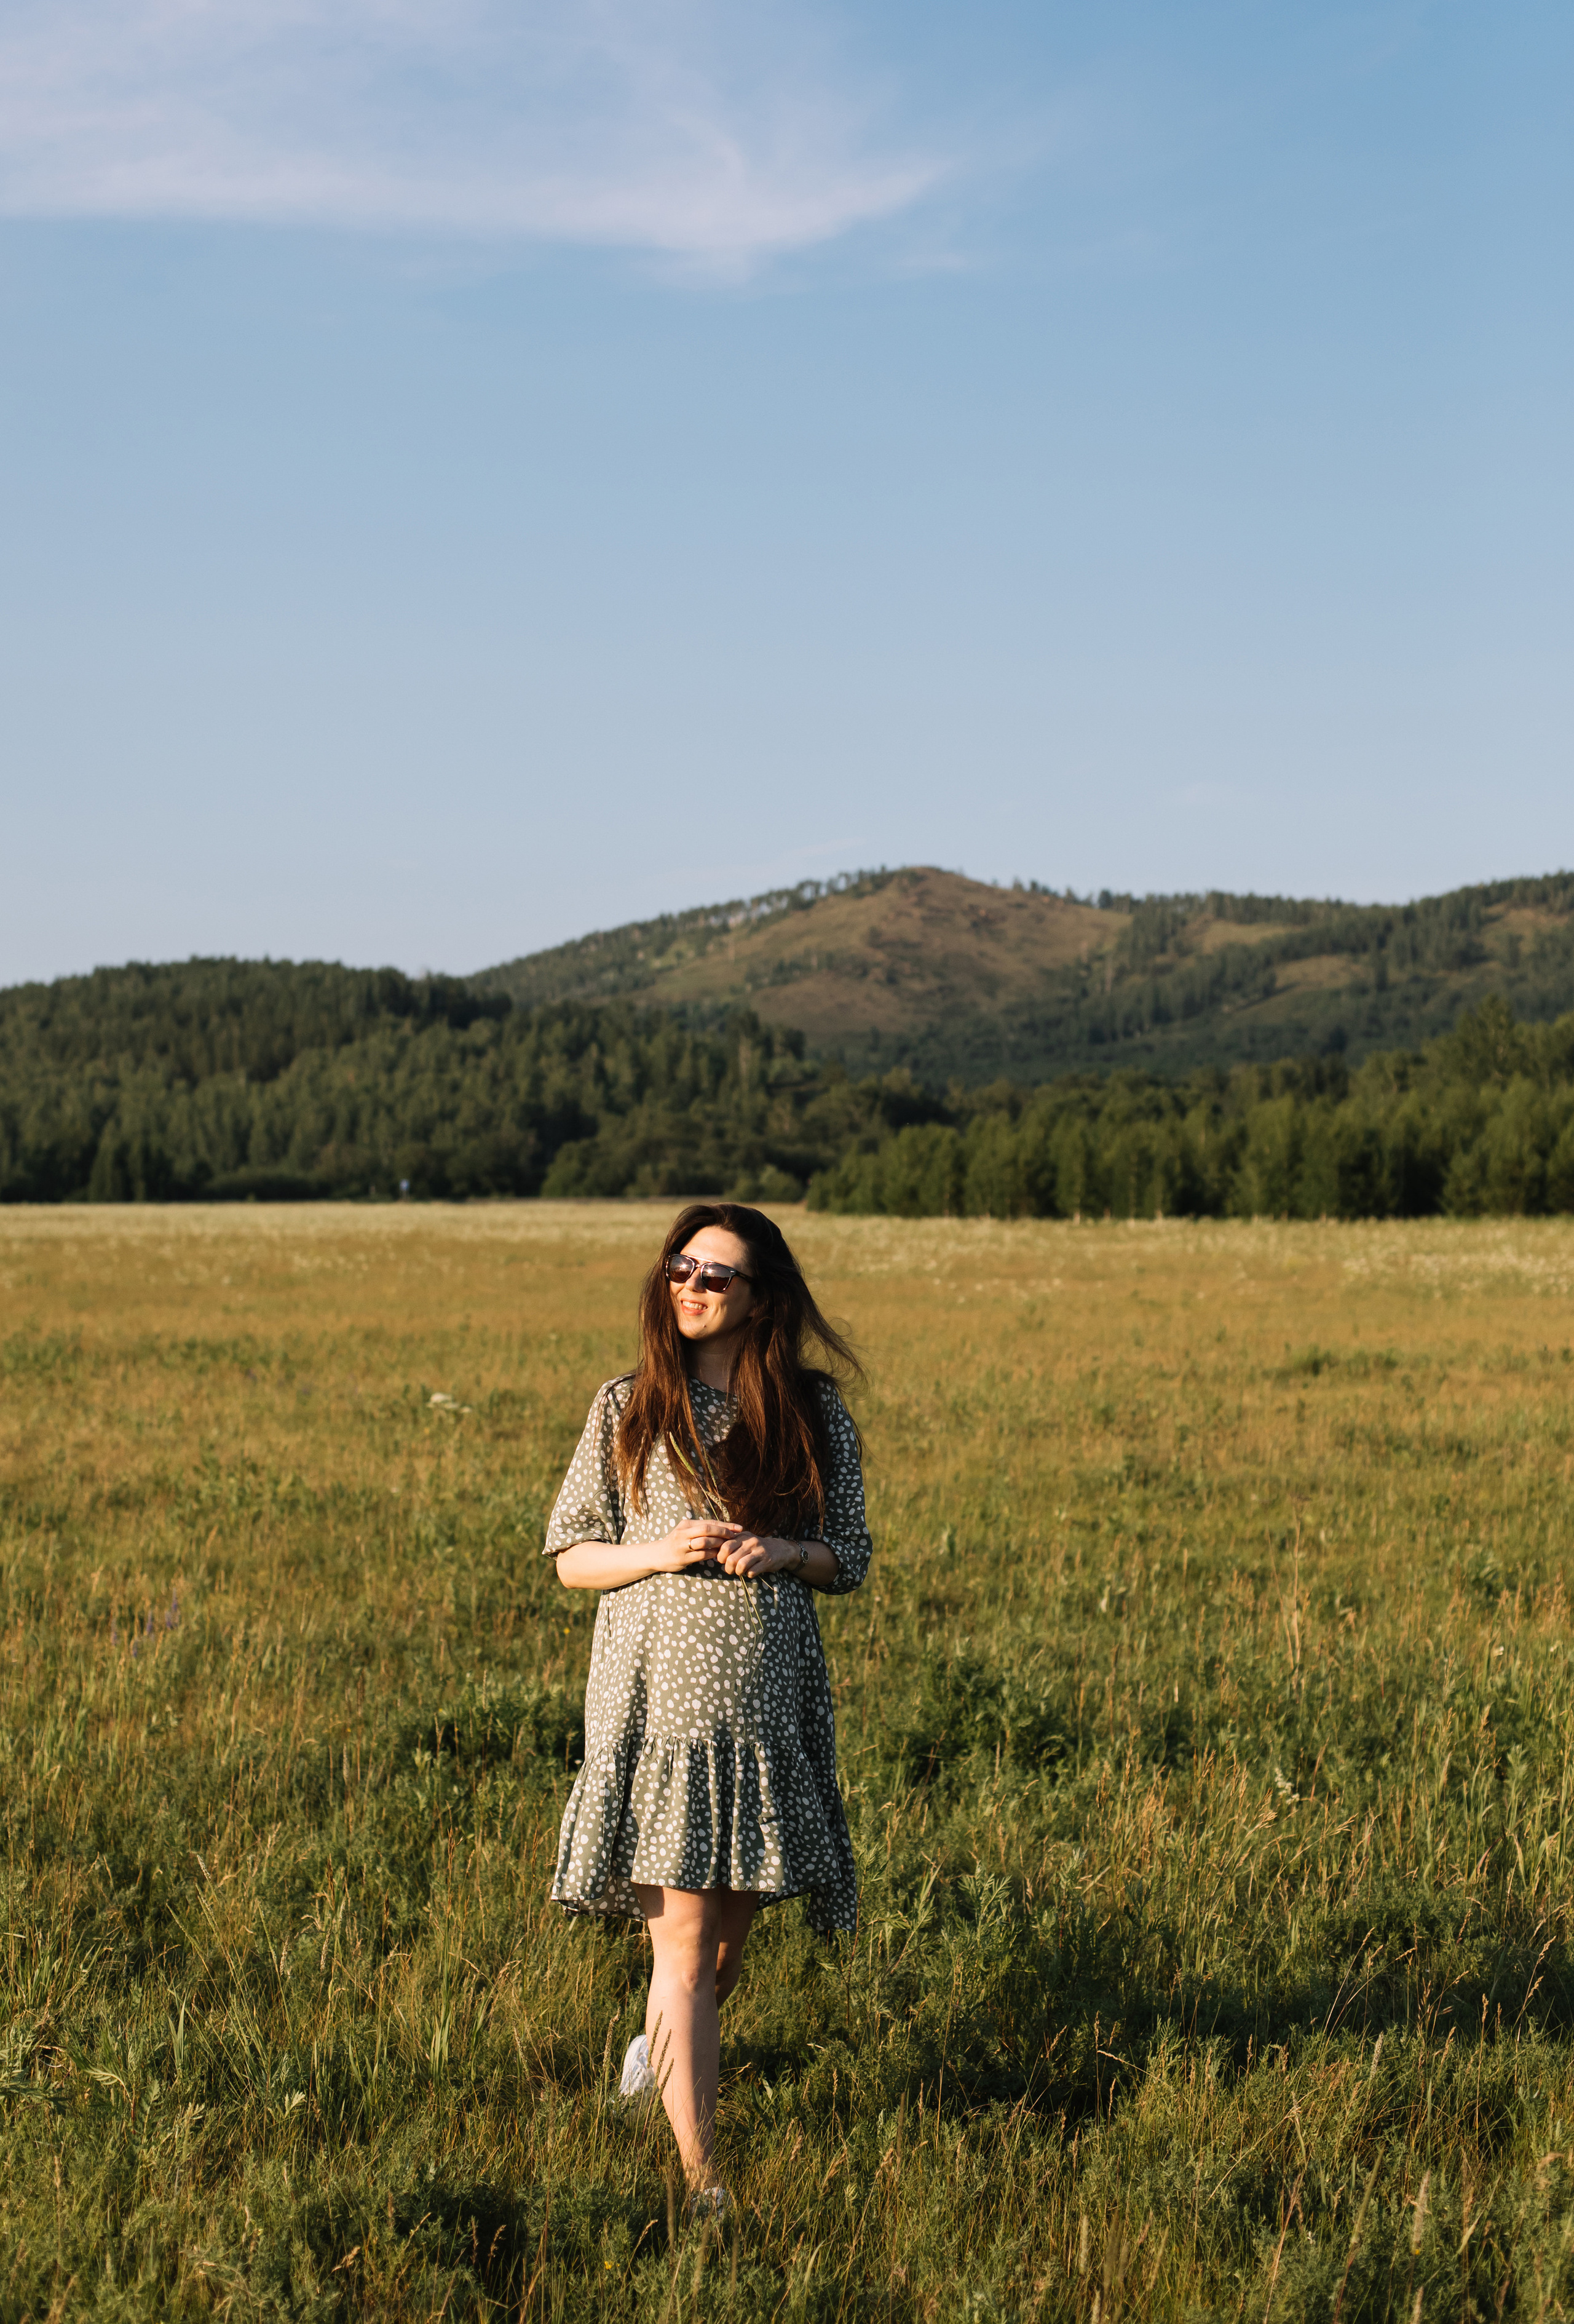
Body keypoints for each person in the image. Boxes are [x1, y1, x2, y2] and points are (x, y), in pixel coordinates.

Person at [544, 1202, 871, 2213]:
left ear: (762, 1297)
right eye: (680, 1267)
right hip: (656, 1715)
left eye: (715, 1275)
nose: (690, 1285)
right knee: (682, 1948)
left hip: (766, 1713)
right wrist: (660, 1549)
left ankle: (654, 2053)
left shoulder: (812, 1414)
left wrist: (782, 1551)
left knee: (720, 1955)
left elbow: (848, 1558)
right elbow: (570, 1556)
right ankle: (702, 2179)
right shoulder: (626, 1406)